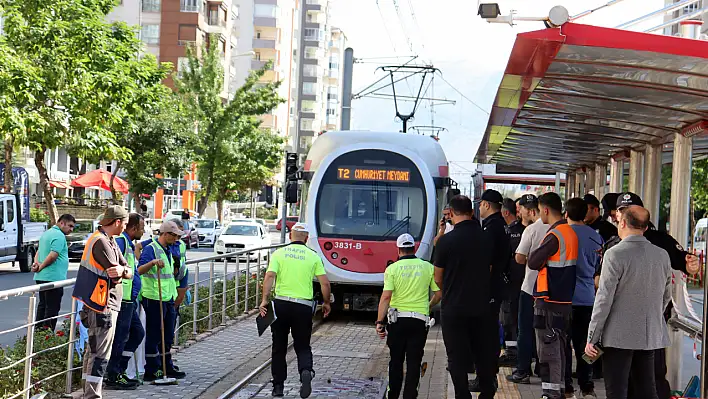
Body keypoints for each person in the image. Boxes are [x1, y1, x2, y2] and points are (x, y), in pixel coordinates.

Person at [597, 192, 700, 399]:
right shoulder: (612, 243)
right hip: (625, 326)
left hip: (647, 326)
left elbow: (686, 264)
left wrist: (692, 266)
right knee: (626, 381)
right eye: (621, 210)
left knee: (651, 377)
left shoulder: (661, 241)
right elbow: (599, 282)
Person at [585, 206, 671, 399]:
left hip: (617, 336)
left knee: (617, 390)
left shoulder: (615, 254)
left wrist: (593, 336)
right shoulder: (662, 255)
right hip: (649, 335)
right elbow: (666, 296)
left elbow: (604, 299)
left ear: (622, 223)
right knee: (647, 389)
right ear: (646, 227)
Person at [259, 223, 332, 398]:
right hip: (303, 307)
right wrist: (327, 302)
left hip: (280, 305)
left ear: (290, 236)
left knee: (279, 347)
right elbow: (325, 283)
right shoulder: (313, 256)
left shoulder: (279, 253)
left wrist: (264, 300)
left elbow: (269, 276)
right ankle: (305, 371)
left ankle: (278, 387)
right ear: (306, 239)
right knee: (302, 345)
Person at [434, 195, 496, 399]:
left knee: (456, 356)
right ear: (471, 212)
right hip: (481, 306)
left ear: (450, 213)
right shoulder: (486, 238)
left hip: (453, 307)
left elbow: (438, 277)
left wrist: (450, 289)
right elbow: (489, 269)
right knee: (483, 353)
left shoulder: (445, 242)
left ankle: (462, 395)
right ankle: (487, 393)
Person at [72, 206, 130, 399]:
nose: (125, 228)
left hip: (97, 304)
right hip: (102, 305)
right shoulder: (102, 243)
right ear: (117, 222)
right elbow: (116, 275)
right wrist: (122, 272)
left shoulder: (108, 240)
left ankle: (87, 392)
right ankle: (92, 395)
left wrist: (123, 271)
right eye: (125, 224)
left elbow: (127, 270)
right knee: (100, 355)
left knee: (93, 351)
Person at [376, 233, 442, 399]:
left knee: (396, 361)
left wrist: (379, 322)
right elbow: (439, 294)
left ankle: (393, 395)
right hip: (419, 322)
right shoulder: (427, 267)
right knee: (414, 362)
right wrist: (428, 305)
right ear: (414, 248)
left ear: (398, 250)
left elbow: (386, 297)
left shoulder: (392, 269)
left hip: (397, 322)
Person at [527, 193, 578, 399]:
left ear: (545, 210)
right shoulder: (570, 232)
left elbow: (533, 261)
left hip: (549, 301)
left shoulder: (555, 235)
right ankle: (561, 389)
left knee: (548, 349)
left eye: (540, 211)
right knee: (560, 346)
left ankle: (551, 392)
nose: (540, 216)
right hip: (564, 300)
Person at [563, 198, 602, 399]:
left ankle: (567, 386)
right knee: (586, 345)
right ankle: (587, 386)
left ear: (566, 214)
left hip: (564, 299)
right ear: (585, 214)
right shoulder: (596, 237)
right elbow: (598, 267)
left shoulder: (561, 234)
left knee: (563, 345)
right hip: (588, 298)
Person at [138, 220, 186, 381]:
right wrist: (152, 263)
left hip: (167, 297)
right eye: (174, 236)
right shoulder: (151, 249)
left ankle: (167, 365)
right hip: (153, 297)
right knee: (155, 334)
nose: (177, 239)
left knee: (167, 335)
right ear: (166, 234)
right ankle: (152, 369)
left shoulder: (168, 249)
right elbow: (139, 270)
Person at [507, 194, 547, 384]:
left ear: (531, 210)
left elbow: (520, 258)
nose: (519, 213)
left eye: (521, 209)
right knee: (546, 330)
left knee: (525, 329)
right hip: (551, 291)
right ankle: (543, 366)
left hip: (530, 288)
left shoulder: (531, 230)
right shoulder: (561, 229)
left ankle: (523, 370)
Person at [473, 189, 510, 390]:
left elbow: (486, 262)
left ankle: (485, 378)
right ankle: (488, 375)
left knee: (485, 334)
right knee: (490, 332)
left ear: (487, 205)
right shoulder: (500, 226)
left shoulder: (491, 228)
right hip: (497, 287)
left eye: (480, 204)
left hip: (489, 288)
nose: (479, 208)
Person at [105, 213, 145, 389]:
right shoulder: (121, 241)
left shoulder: (128, 244)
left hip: (130, 299)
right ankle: (113, 375)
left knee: (137, 333)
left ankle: (119, 369)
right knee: (120, 338)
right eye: (142, 228)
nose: (143, 232)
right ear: (134, 228)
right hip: (123, 299)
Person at [33, 214, 75, 330]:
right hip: (53, 278)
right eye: (70, 226)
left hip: (42, 276)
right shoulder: (59, 236)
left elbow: (39, 252)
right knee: (52, 308)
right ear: (62, 223)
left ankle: (38, 333)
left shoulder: (47, 233)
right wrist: (40, 266)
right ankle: (47, 335)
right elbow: (53, 255)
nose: (71, 229)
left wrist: (36, 264)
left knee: (43, 306)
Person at [500, 198, 525, 366]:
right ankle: (518, 351)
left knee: (509, 318)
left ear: (506, 213)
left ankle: (512, 353)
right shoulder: (525, 230)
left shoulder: (507, 232)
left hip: (511, 282)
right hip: (525, 282)